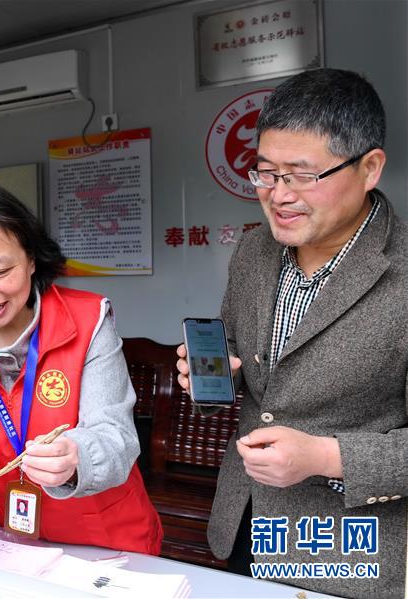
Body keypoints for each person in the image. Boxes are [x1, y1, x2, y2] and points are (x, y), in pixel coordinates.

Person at [176, 69, 406, 599]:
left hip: (348, 552)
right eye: (266, 173)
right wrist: (212, 375)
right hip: (243, 524)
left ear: (370, 168)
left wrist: (326, 458)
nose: (279, 195)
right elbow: (251, 370)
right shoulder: (255, 252)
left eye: (302, 175)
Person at [0, 182, 162, 553]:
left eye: (0, 271)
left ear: (31, 259)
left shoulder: (88, 320)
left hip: (101, 543)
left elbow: (117, 437)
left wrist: (77, 457)